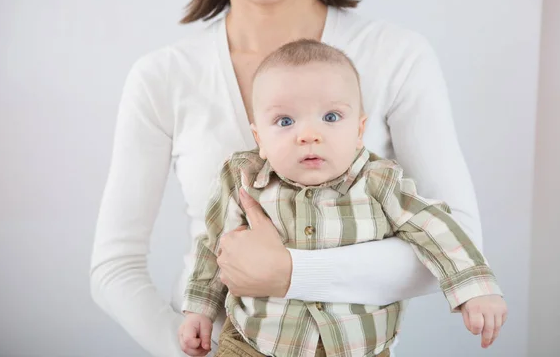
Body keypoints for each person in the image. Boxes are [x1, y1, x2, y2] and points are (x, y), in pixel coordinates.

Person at [90, 0, 497, 356]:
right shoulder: (161, 76)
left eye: (332, 116)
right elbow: (115, 267)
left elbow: (454, 236)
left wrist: (289, 273)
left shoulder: (397, 55)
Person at [177, 40, 506, 357]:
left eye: (331, 117)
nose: (309, 135)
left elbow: (434, 228)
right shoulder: (243, 178)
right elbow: (214, 247)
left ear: (360, 130)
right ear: (259, 137)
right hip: (256, 342)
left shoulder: (380, 182)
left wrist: (475, 288)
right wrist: (199, 310)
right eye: (285, 121)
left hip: (359, 346)